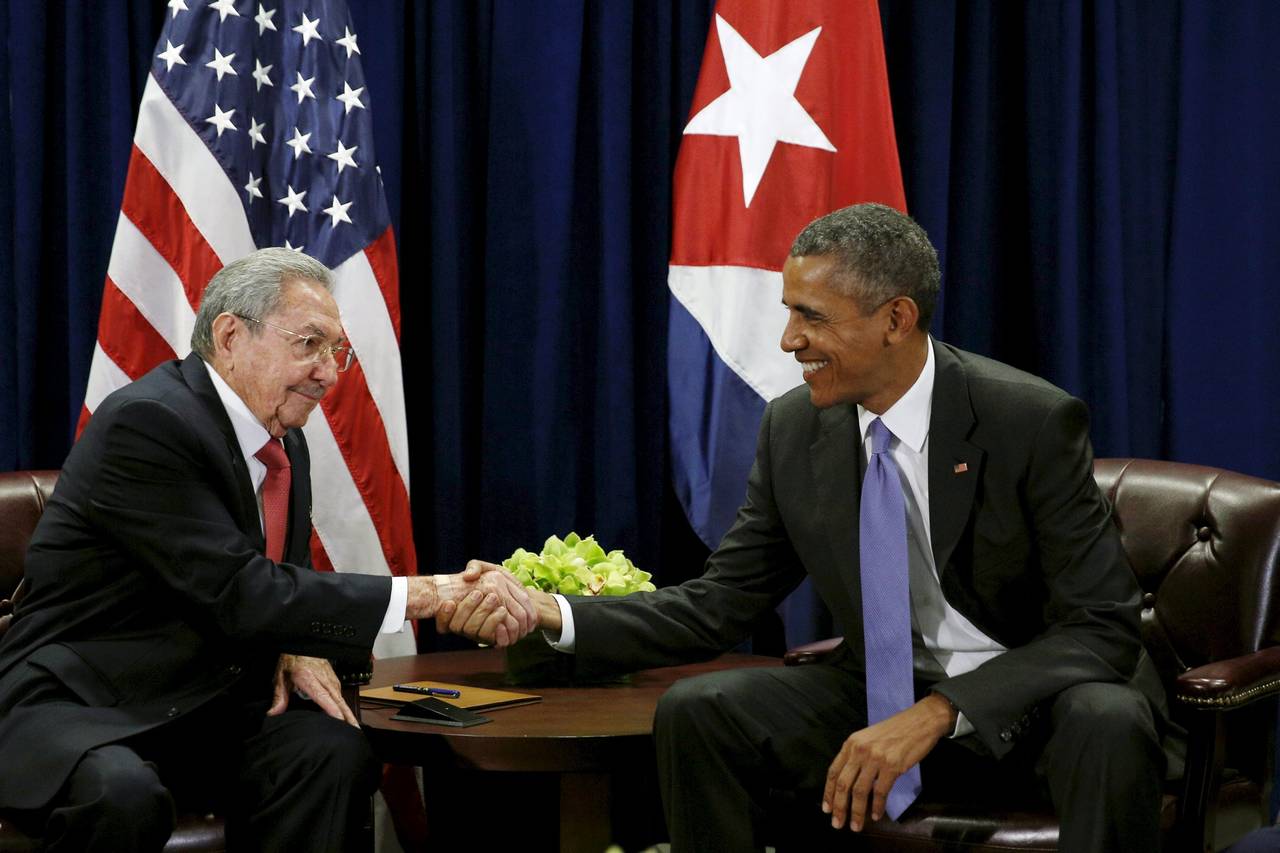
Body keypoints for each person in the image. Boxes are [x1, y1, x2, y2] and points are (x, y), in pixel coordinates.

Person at [469, 204, 1166, 852]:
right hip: (879, 693)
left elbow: (1102, 625)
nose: (789, 339)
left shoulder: (1029, 420)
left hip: (1034, 704)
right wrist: (551, 613)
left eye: (813, 316)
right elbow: (720, 603)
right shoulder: (794, 428)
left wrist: (938, 712)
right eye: (788, 311)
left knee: (1108, 719)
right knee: (703, 708)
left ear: (896, 318)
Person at [0, 248, 537, 852]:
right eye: (309, 343)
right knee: (122, 795)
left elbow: (283, 581)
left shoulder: (282, 441)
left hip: (198, 709)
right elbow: (238, 589)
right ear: (230, 335)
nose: (330, 372)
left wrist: (291, 643)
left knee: (329, 755)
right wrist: (427, 594)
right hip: (83, 708)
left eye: (336, 351)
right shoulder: (150, 423)